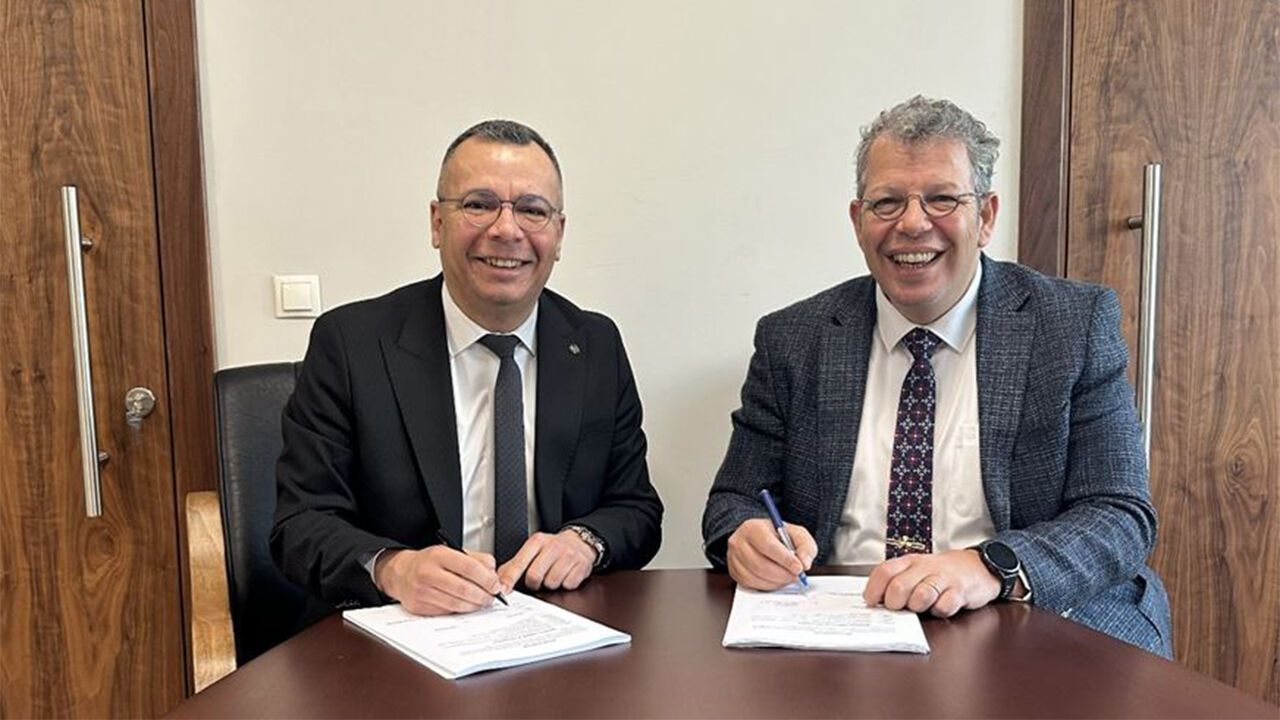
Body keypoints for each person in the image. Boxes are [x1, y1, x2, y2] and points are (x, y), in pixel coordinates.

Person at [701, 96, 1172, 656]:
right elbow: (734, 499)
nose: (912, 223)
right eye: (887, 202)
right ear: (857, 222)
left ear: (986, 217)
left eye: (943, 199)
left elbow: (1119, 514)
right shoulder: (794, 339)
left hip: (1024, 619)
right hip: (845, 628)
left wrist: (991, 567)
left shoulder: (1071, 325)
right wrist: (746, 536)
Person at [273, 120, 663, 616]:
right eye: (479, 204)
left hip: (552, 628)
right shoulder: (351, 344)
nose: (506, 230)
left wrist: (585, 541)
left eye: (532, 210)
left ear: (559, 234)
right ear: (437, 223)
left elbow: (636, 508)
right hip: (399, 631)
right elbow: (300, 524)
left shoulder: (595, 344)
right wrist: (394, 568)